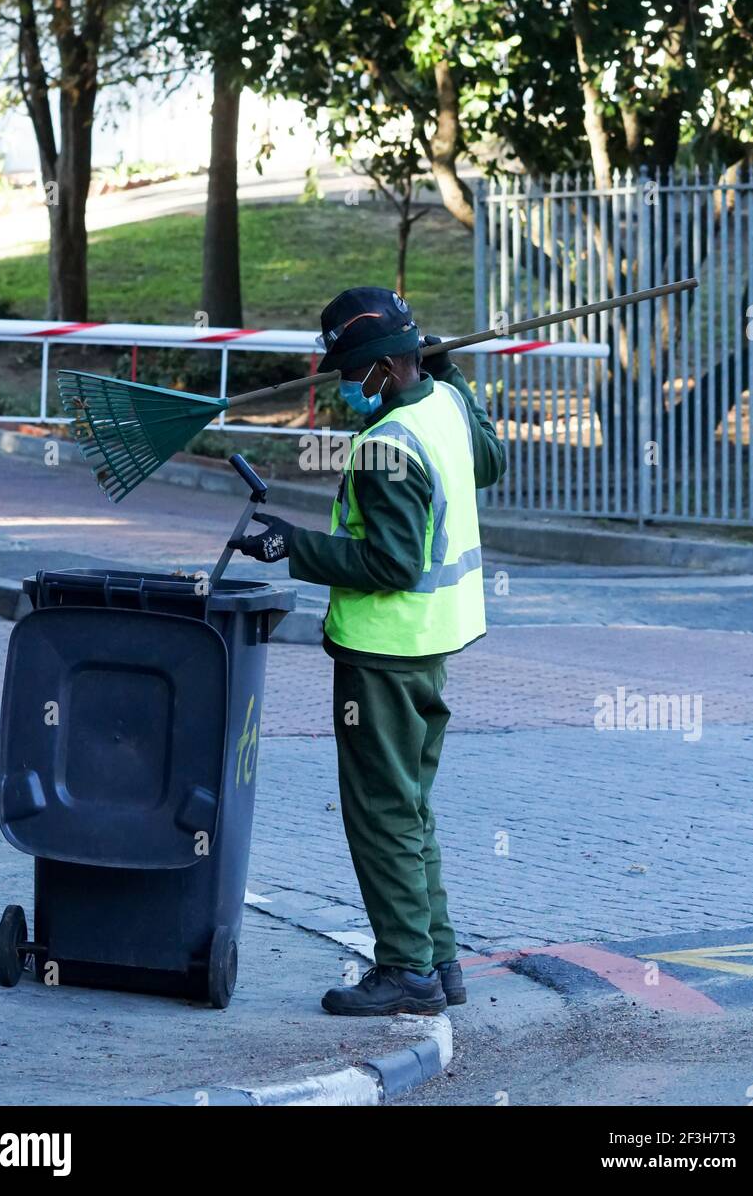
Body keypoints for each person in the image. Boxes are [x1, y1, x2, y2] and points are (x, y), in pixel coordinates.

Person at [230, 287, 506, 1016]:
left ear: (387, 366)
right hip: (433, 646)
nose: (347, 389)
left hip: (383, 656)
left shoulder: (387, 444)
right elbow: (491, 462)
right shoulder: (442, 404)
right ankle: (439, 961)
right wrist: (448, 373)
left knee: (383, 816)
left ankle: (405, 972)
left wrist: (291, 545)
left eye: (355, 374)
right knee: (409, 810)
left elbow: (389, 563)